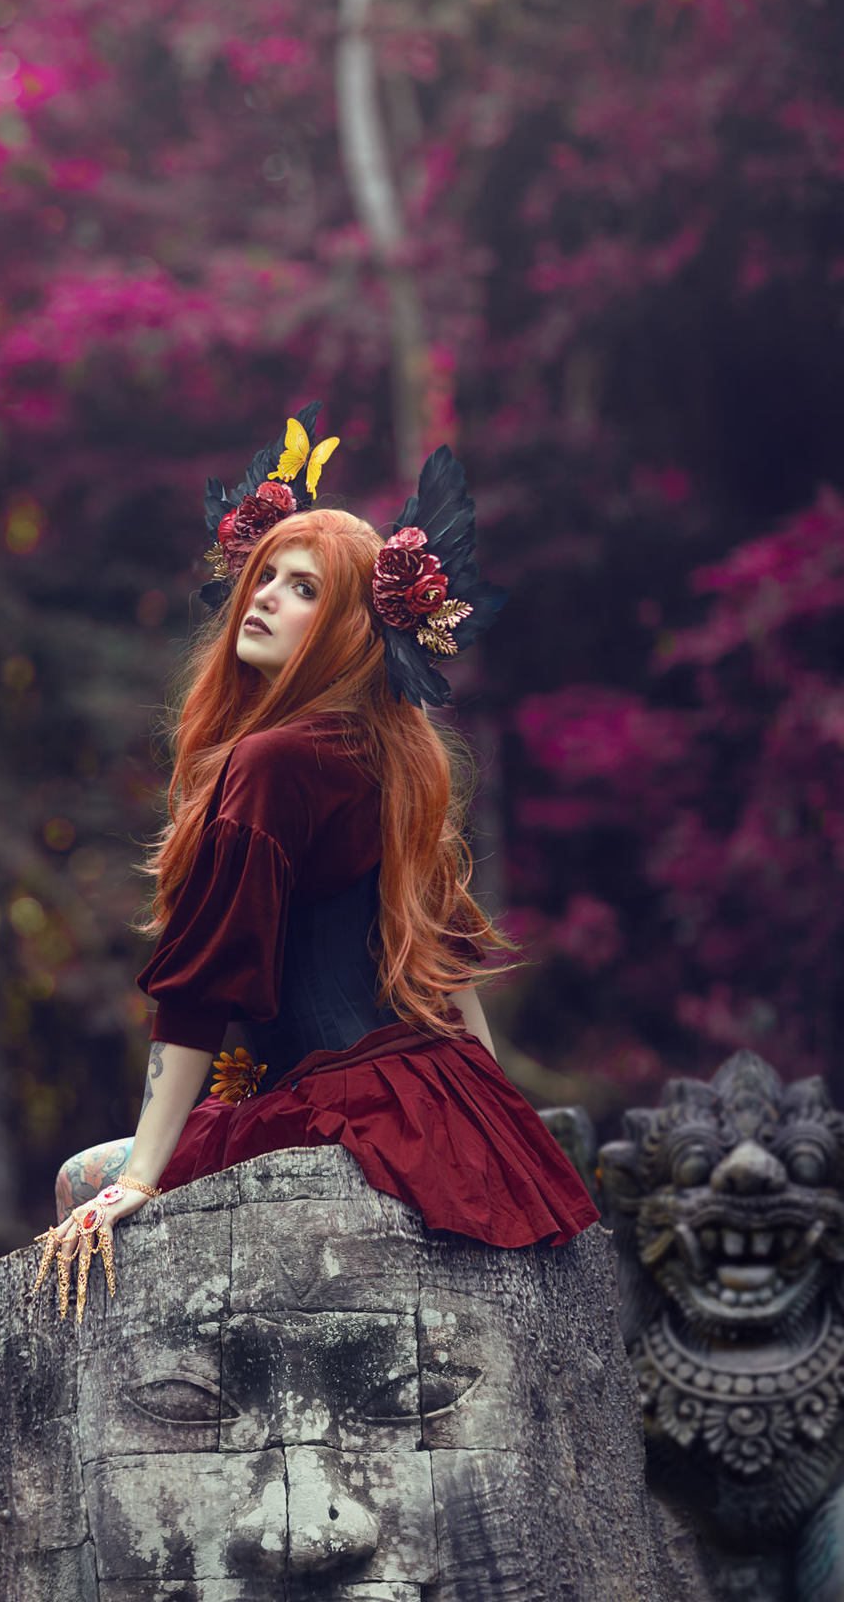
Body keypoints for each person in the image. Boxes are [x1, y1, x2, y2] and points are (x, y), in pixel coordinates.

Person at [34, 412, 599, 1321]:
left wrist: (139, 1175)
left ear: (344, 625)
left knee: (78, 1182)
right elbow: (449, 981)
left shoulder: (276, 762)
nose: (261, 598)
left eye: (301, 588)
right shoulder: (389, 758)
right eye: (263, 577)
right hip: (433, 1095)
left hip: (352, 1106)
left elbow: (203, 986)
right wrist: (502, 1123)